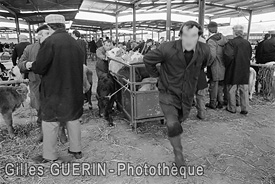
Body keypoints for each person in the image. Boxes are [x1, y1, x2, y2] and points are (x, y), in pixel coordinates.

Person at [143, 21, 213, 168]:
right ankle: (178, 154)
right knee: (172, 122)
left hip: (187, 93)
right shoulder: (167, 48)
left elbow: (203, 65)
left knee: (180, 119)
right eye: (186, 35)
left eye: (194, 35)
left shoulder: (204, 50)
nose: (189, 39)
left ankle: (175, 136)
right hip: (168, 91)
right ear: (180, 35)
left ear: (199, 36)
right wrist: (157, 76)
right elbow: (148, 59)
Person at [31, 14, 84, 163]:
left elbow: (40, 67)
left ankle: (49, 155)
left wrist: (31, 65)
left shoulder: (49, 42)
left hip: (55, 89)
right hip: (73, 88)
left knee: (50, 121)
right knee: (73, 119)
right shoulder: (75, 43)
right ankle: (76, 150)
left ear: (49, 26)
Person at [17, 25, 50, 143]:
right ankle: (42, 132)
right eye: (41, 34)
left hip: (53, 83)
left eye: (47, 33)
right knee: (39, 108)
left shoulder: (57, 47)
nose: (43, 36)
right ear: (38, 36)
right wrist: (28, 65)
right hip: (36, 82)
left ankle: (60, 130)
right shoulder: (30, 48)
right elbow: (20, 63)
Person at [224, 25, 252, 115]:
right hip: (244, 68)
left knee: (232, 89)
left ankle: (232, 108)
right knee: (244, 89)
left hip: (233, 67)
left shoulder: (231, 43)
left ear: (234, 32)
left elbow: (228, 56)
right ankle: (245, 108)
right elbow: (250, 55)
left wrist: (227, 65)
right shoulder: (247, 43)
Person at [206, 21, 228, 109]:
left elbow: (212, 55)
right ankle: (221, 101)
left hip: (215, 65)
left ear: (209, 29)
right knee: (220, 85)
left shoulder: (211, 40)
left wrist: (208, 63)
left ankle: (213, 103)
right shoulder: (224, 38)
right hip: (224, 65)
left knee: (213, 85)